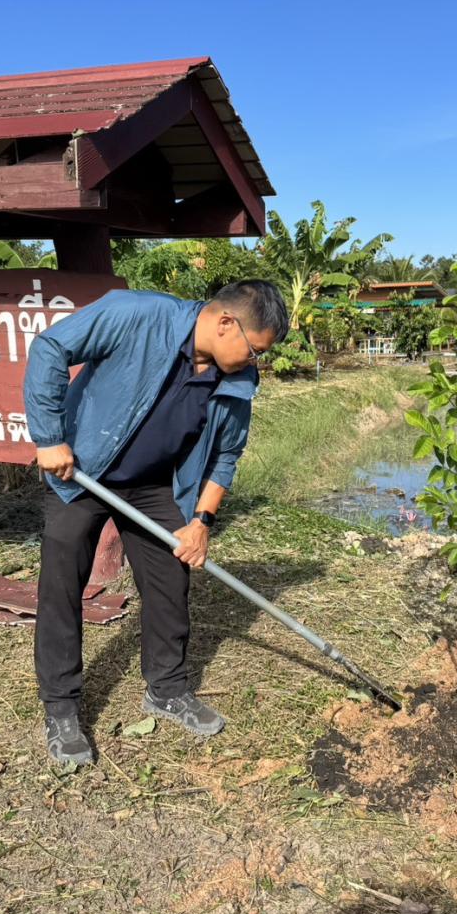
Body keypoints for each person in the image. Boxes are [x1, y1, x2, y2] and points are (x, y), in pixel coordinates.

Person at [23, 279, 288, 765]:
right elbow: (51, 347)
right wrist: (49, 437)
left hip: (150, 485)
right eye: (255, 351)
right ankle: (61, 708)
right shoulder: (137, 314)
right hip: (81, 472)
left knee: (170, 578)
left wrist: (201, 521)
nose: (256, 362)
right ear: (225, 323)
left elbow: (226, 456)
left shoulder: (236, 381)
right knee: (62, 586)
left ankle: (166, 689)